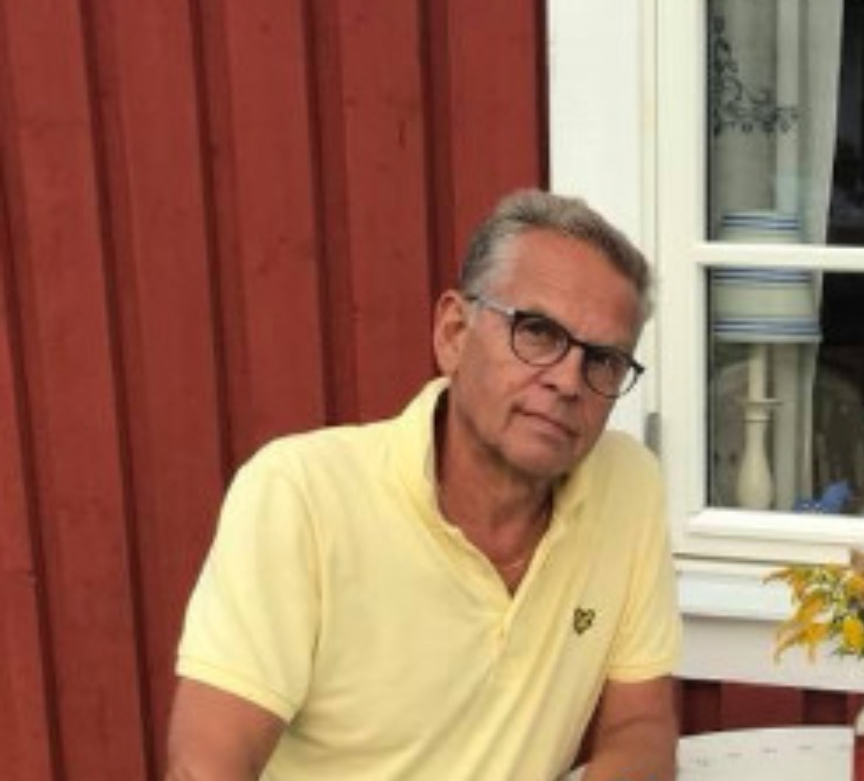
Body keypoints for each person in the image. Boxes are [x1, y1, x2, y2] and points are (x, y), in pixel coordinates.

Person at [164, 189, 682, 781]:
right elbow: (206, 765)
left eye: (604, 360)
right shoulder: (301, 494)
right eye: (538, 332)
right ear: (454, 333)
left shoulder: (627, 487)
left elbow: (640, 725)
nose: (568, 381)